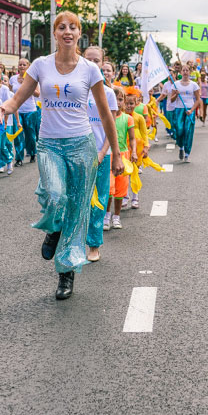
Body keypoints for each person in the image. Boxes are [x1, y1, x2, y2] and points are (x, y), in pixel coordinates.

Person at [0, 11, 123, 301]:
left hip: (82, 145)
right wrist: (6, 107)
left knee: (78, 211)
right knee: (55, 196)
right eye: (62, 27)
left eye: (73, 28)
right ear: (55, 33)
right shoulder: (40, 65)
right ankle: (53, 227)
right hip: (50, 144)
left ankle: (66, 273)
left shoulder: (90, 69)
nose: (68, 31)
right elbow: (20, 97)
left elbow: (105, 114)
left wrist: (116, 152)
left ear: (80, 34)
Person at [84, 45, 118, 261]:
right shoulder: (75, 89)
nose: (93, 63)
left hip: (100, 156)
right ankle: (75, 242)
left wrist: (103, 152)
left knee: (98, 201)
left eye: (97, 60)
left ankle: (94, 245)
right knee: (77, 200)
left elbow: (110, 127)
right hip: (77, 153)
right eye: (89, 59)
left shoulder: (108, 93)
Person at [171, 64, 201, 162]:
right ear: (180, 72)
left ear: (190, 72)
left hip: (189, 110)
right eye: (183, 70)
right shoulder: (176, 84)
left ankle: (187, 154)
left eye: (187, 70)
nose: (185, 72)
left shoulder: (194, 85)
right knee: (179, 131)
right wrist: (176, 94)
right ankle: (181, 147)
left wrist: (191, 110)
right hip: (179, 109)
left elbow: (197, 100)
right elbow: (171, 100)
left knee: (188, 131)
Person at [12, 59, 40, 165]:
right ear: (18, 66)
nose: (22, 66)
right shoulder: (13, 79)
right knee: (18, 135)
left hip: (30, 110)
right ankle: (19, 158)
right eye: (20, 64)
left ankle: (32, 153)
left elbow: (38, 94)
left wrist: (26, 85)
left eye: (24, 64)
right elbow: (11, 94)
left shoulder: (32, 78)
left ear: (28, 66)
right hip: (17, 110)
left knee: (30, 134)